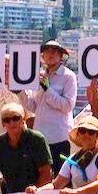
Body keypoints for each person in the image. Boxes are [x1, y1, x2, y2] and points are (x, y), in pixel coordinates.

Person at [0, 102, 54, 194]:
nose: (12, 122)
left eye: (16, 118)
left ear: (23, 119)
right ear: (2, 123)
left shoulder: (37, 139)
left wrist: (36, 191)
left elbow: (46, 172)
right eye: (7, 120)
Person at [30, 40, 78, 173]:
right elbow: (33, 106)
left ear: (61, 56)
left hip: (59, 137)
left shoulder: (69, 76)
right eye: (47, 51)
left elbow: (67, 106)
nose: (50, 54)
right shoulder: (39, 76)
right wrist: (20, 92)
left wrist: (47, 89)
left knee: (60, 176)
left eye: (54, 51)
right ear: (42, 55)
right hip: (40, 138)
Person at [43, 114, 98, 194]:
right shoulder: (72, 159)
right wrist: (37, 190)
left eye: (91, 132)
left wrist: (76, 192)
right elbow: (55, 185)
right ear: (78, 134)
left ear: (96, 136)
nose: (86, 135)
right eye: (82, 131)